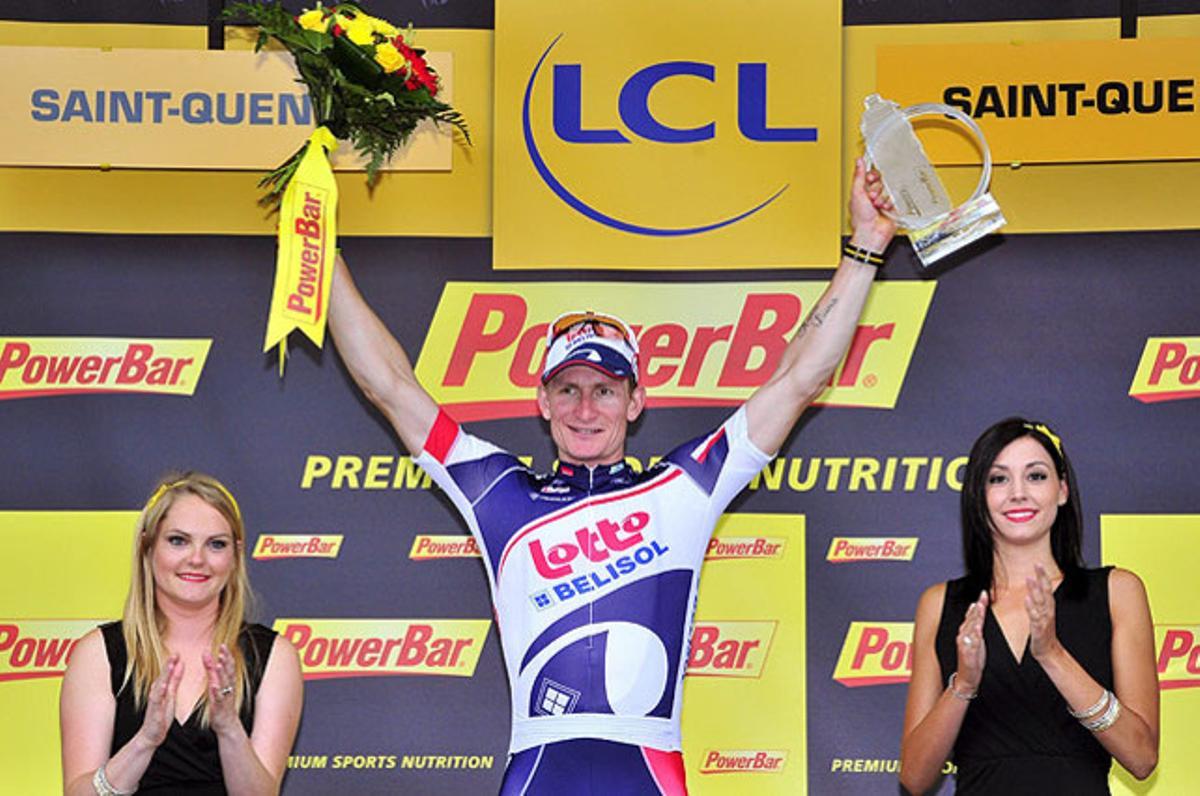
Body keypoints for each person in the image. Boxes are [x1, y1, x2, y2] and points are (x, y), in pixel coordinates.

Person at [327, 160, 896, 794]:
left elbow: (798, 380)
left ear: (635, 401)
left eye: (605, 389)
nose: (586, 409)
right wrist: (320, 250)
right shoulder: (499, 492)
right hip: (540, 765)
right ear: (541, 403)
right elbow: (389, 386)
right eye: (567, 389)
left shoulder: (683, 488)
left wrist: (865, 245)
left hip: (648, 767)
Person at [899, 419, 1159, 794]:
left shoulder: (1117, 591)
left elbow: (1141, 756)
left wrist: (1052, 654)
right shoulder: (941, 604)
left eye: (1036, 476)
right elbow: (914, 777)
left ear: (1063, 490)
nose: (1018, 493)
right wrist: (964, 684)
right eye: (998, 479)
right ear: (978, 495)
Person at [60, 473, 304, 796]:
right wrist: (145, 741)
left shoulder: (273, 656)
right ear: (148, 548)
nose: (197, 559)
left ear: (234, 556)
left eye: (216, 544)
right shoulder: (99, 654)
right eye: (178, 540)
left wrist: (230, 728)